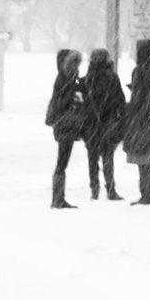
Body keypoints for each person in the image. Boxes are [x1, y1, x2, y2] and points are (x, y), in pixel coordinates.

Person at [120, 37, 150, 208]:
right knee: (145, 158)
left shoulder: (138, 71)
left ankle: (146, 194)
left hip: (139, 117)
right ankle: (147, 193)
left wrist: (135, 94)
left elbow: (141, 95)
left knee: (141, 159)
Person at [79, 46, 126, 203]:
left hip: (90, 124)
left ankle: (94, 189)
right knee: (108, 156)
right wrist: (121, 118)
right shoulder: (112, 78)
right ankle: (111, 189)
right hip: (108, 123)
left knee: (92, 157)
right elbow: (120, 100)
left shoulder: (86, 79)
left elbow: (81, 102)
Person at [44, 47, 85, 210]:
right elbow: (63, 102)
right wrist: (75, 97)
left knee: (63, 160)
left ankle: (58, 197)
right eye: (73, 64)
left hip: (65, 124)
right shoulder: (64, 80)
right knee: (62, 161)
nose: (77, 67)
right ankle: (58, 198)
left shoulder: (66, 79)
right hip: (65, 124)